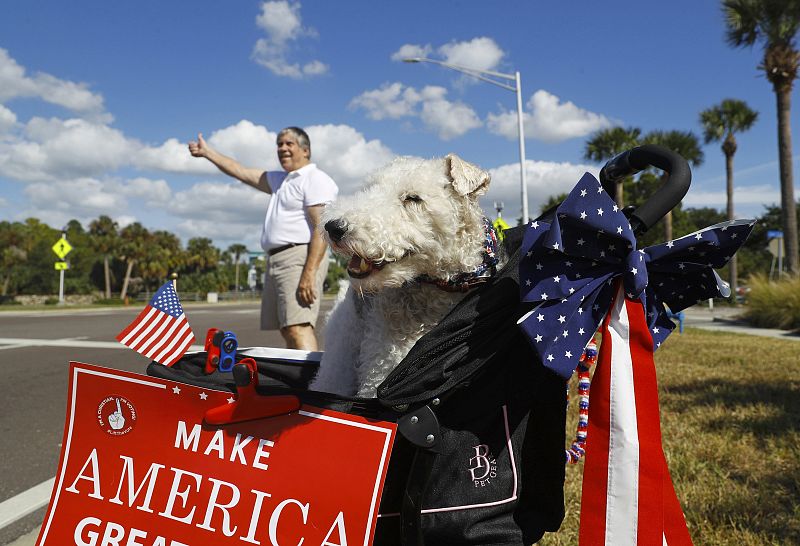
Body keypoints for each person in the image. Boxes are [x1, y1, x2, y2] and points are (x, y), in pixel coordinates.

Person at [188, 127, 338, 351]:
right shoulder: (281, 180)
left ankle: (312, 384)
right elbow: (239, 170)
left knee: (299, 326)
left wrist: (309, 273)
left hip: (299, 257)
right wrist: (209, 153)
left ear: (306, 150)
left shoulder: (315, 179)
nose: (282, 148)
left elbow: (321, 228)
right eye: (279, 144)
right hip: (276, 259)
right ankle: (297, 379)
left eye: (289, 143)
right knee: (287, 328)